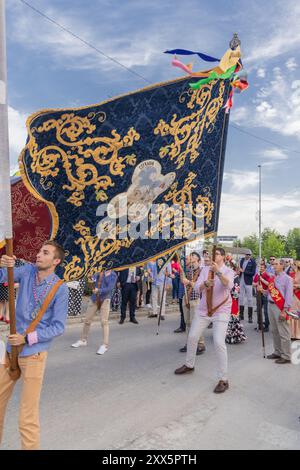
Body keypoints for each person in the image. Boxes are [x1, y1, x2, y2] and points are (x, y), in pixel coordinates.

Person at [0, 240, 68, 450]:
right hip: (11, 351)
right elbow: (4, 277)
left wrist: (27, 338)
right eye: (39, 251)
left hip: (34, 355)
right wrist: (4, 264)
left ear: (55, 261)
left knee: (27, 418)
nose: (38, 255)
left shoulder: (60, 288)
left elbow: (58, 327)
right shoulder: (28, 271)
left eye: (45, 253)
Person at [175, 247, 234, 394]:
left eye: (216, 254)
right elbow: (196, 287)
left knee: (219, 342)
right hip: (203, 310)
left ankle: (223, 379)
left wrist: (218, 272)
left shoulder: (228, 271)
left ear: (223, 257)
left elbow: (229, 285)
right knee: (193, 336)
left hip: (221, 311)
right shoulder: (205, 270)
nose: (211, 257)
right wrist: (205, 284)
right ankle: (189, 365)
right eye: (208, 255)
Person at [71, 270, 117, 354]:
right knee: (87, 320)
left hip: (105, 299)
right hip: (94, 299)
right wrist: (91, 277)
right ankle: (83, 340)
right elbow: (92, 279)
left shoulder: (113, 274)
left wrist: (99, 290)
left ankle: (105, 345)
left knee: (104, 322)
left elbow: (110, 288)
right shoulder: (98, 271)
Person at [259, 259, 293, 364]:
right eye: (273, 264)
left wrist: (285, 310)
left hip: (280, 307)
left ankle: (286, 356)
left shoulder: (288, 279)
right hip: (270, 305)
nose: (273, 266)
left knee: (283, 332)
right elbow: (268, 293)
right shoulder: (273, 278)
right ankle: (277, 352)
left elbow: (288, 297)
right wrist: (262, 291)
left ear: (282, 266)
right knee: (274, 330)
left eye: (276, 264)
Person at [179, 252, 206, 355]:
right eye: (190, 258)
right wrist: (182, 274)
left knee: (196, 323)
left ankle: (200, 344)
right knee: (188, 323)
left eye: (193, 258)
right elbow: (183, 281)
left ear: (198, 260)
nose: (190, 259)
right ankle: (189, 344)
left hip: (196, 300)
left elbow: (200, 286)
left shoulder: (202, 271)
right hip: (186, 299)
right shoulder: (188, 270)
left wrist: (189, 282)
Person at [226, 264, 246, 344]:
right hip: (229, 300)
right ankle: (229, 334)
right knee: (229, 317)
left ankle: (232, 335)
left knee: (232, 317)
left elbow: (236, 292)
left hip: (232, 300)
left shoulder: (234, 277)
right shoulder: (233, 277)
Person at [239, 250, 256, 323]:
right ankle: (241, 315)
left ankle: (250, 317)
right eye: (247, 254)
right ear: (244, 254)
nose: (248, 256)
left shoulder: (253, 262)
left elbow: (253, 273)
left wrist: (243, 271)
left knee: (250, 299)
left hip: (248, 282)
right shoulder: (242, 260)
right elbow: (239, 269)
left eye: (249, 255)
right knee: (241, 298)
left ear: (251, 255)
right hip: (241, 281)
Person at [253, 260, 270, 332]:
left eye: (262, 267)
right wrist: (256, 283)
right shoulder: (257, 275)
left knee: (266, 311)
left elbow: (269, 284)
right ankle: (259, 324)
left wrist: (262, 279)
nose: (261, 268)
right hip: (258, 293)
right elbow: (253, 283)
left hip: (265, 294)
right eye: (260, 267)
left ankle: (266, 326)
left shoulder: (267, 275)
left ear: (265, 268)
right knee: (259, 309)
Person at [290, 261, 300, 340]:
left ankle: (297, 334)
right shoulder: (291, 274)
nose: (292, 266)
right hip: (292, 295)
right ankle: (292, 334)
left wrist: (295, 286)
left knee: (297, 314)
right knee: (292, 314)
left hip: (298, 296)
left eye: (294, 265)